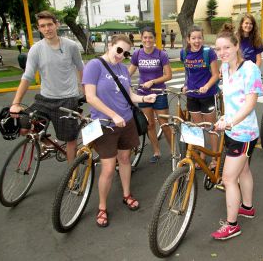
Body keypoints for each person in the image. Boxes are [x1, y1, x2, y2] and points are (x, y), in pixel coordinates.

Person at [83, 34, 157, 227]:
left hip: (126, 121)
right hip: (105, 124)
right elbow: (90, 97)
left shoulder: (123, 69)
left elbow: (128, 94)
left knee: (125, 160)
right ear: (110, 45)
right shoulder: (94, 66)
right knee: (107, 168)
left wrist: (143, 99)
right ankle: (102, 206)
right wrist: (112, 115)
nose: (120, 55)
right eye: (118, 50)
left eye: (125, 53)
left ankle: (126, 194)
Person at [9, 10, 84, 164]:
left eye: (50, 24)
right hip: (45, 99)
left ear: (56, 25)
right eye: (43, 26)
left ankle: (71, 175)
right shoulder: (36, 49)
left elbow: (81, 68)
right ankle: (51, 145)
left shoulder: (71, 46)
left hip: (67, 99)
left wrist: (86, 92)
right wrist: (15, 103)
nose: (47, 29)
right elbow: (27, 77)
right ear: (39, 28)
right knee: (24, 126)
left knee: (70, 139)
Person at [212, 23, 263, 240]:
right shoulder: (225, 68)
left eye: (226, 48)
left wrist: (231, 121)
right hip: (233, 129)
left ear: (236, 46)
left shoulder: (250, 68)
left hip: (243, 132)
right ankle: (247, 207)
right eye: (218, 49)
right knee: (243, 171)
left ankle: (232, 225)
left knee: (228, 179)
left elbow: (251, 103)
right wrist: (225, 116)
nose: (222, 53)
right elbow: (230, 99)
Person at [129, 27, 172, 163]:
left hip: (159, 93)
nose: (148, 40)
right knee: (149, 124)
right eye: (145, 37)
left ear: (155, 39)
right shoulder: (137, 54)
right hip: (143, 94)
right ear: (141, 38)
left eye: (150, 37)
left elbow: (168, 75)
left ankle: (174, 151)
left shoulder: (161, 54)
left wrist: (152, 82)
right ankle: (156, 151)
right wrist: (119, 82)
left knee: (164, 124)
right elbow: (128, 72)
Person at [181, 25, 219, 169]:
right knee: (197, 128)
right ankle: (201, 156)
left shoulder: (209, 53)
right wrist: (185, 85)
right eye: (193, 38)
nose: (197, 41)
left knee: (210, 127)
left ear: (203, 38)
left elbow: (215, 74)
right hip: (192, 95)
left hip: (207, 95)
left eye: (199, 38)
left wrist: (207, 86)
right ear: (188, 39)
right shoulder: (184, 53)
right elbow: (188, 73)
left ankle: (215, 158)